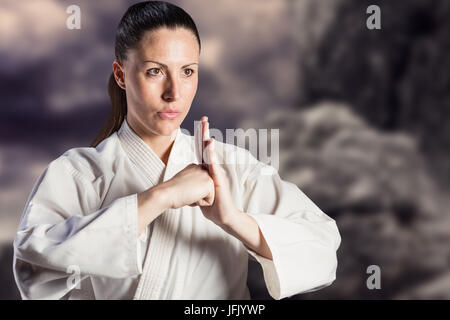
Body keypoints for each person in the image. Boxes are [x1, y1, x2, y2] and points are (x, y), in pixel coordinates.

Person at [12, 1, 341, 300]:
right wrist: (160, 197)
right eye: (155, 71)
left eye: (187, 72)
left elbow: (323, 247)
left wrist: (233, 220)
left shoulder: (234, 168)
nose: (174, 93)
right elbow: (33, 268)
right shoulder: (80, 173)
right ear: (121, 75)